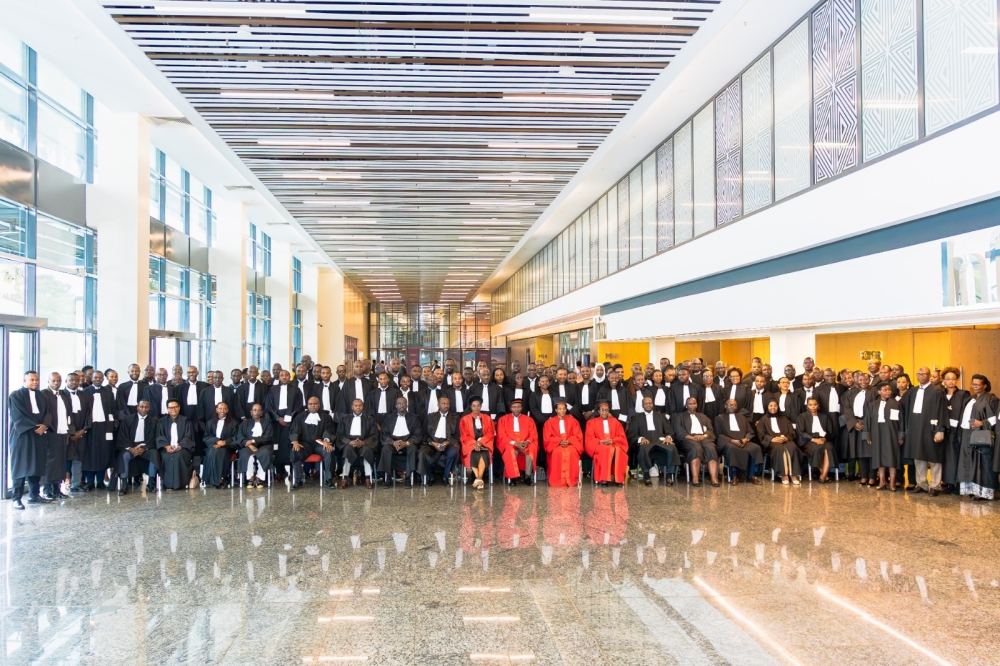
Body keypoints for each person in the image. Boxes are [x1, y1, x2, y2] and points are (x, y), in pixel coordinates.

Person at [900, 367, 947, 496]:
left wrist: (940, 430)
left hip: (931, 428)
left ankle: (935, 486)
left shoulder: (937, 391)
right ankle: (921, 484)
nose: (921, 376)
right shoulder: (912, 392)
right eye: (919, 374)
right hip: (915, 428)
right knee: (918, 456)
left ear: (929, 375)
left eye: (924, 374)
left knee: (934, 457)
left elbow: (942, 411)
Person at [8, 371, 51, 509]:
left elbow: (48, 413)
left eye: (37, 380)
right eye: (31, 380)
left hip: (39, 435)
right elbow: (18, 416)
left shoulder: (41, 396)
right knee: (20, 466)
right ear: (24, 380)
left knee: (37, 465)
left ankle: (34, 495)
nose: (35, 382)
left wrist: (44, 425)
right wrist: (35, 427)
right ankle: (16, 498)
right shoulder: (15, 395)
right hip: (22, 436)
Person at [957, 374, 999, 500]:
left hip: (982, 436)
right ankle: (971, 490)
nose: (974, 386)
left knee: (983, 463)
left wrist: (982, 423)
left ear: (984, 385)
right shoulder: (970, 399)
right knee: (968, 461)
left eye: (977, 384)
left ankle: (984, 492)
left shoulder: (991, 398)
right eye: (972, 384)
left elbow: (996, 418)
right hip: (967, 434)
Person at [713, 399, 764, 485]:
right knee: (732, 449)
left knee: (756, 448)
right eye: (730, 405)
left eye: (734, 405)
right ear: (725, 406)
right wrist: (732, 440)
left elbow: (750, 432)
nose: (732, 407)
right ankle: (734, 476)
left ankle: (752, 476)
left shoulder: (742, 417)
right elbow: (719, 434)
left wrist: (746, 439)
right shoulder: (719, 418)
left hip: (743, 441)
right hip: (728, 442)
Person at [288, 396, 336, 488]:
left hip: (320, 444)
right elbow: (295, 431)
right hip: (305, 444)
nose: (313, 406)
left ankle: (328, 480)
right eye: (310, 404)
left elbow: (329, 430)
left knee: (329, 451)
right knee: (295, 451)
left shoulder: (326, 417)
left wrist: (326, 440)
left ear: (319, 405)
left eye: (315, 404)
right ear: (307, 405)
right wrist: (295, 441)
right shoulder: (300, 417)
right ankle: (298, 480)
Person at [630, 395, 677, 487]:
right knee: (643, 448)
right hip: (646, 442)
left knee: (672, 447)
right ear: (642, 405)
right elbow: (632, 434)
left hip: (660, 441)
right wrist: (641, 439)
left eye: (650, 403)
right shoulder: (636, 417)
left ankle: (668, 476)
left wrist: (668, 437)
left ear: (653, 404)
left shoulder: (661, 416)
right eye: (646, 403)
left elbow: (669, 430)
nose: (648, 405)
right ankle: (647, 476)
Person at [115, 399, 159, 495]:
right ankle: (124, 485)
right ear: (137, 408)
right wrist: (131, 448)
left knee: (154, 453)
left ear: (149, 408)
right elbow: (122, 437)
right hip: (131, 449)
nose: (144, 409)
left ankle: (151, 484)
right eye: (141, 407)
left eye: (146, 407)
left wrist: (144, 448)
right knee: (124, 455)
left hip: (146, 449)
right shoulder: (127, 420)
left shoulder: (154, 422)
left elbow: (155, 438)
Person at [864, 383, 902, 491]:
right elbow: (868, 421)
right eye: (885, 390)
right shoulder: (873, 404)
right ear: (879, 392)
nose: (888, 392)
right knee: (879, 457)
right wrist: (868, 435)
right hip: (877, 433)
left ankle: (892, 483)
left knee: (892, 457)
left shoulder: (896, 404)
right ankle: (882, 481)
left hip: (891, 433)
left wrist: (901, 435)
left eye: (889, 390)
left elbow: (901, 421)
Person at [266, 370, 303, 480]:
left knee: (290, 445)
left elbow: (299, 406)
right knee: (277, 446)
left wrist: (290, 417)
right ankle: (279, 471)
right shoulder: (273, 389)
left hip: (291, 422)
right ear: (279, 377)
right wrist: (277, 418)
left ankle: (292, 470)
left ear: (290, 377)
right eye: (282, 375)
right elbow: (269, 406)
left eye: (287, 375)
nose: (285, 377)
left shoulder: (296, 390)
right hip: (276, 423)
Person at [378, 396, 422, 488]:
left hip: (408, 443)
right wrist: (392, 442)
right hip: (393, 443)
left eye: (404, 403)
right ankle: (388, 478)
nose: (401, 406)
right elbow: (384, 434)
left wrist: (406, 443)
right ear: (396, 406)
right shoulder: (389, 418)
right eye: (399, 404)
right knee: (386, 449)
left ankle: (408, 478)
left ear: (407, 405)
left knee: (412, 449)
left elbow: (417, 435)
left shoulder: (414, 419)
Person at [674, 396, 719, 487]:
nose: (692, 405)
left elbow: (710, 429)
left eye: (694, 403)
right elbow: (678, 431)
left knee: (711, 448)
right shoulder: (679, 416)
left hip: (704, 438)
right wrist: (691, 437)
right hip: (688, 439)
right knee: (696, 449)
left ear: (697, 405)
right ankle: (695, 478)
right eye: (690, 404)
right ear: (686, 405)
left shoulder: (703, 416)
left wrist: (704, 436)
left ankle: (714, 478)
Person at [41, 372, 73, 499]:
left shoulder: (64, 394)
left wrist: (69, 432)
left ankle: (57, 489)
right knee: (50, 461)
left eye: (58, 381)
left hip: (62, 432)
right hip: (50, 433)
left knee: (61, 461)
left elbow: (69, 413)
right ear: (48, 381)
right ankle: (47, 489)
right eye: (53, 381)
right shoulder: (43, 394)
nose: (56, 383)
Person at [83, 370, 116, 490]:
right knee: (90, 455)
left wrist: (110, 428)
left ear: (103, 379)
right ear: (91, 378)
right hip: (90, 427)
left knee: (103, 454)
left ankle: (101, 481)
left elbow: (112, 410)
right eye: (95, 377)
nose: (98, 379)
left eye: (100, 377)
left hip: (104, 427)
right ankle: (90, 481)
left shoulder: (108, 392)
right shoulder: (85, 392)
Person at [940, 367, 970, 493]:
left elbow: (965, 412)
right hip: (942, 430)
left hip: (956, 431)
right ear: (943, 381)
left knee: (954, 457)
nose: (951, 381)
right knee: (943, 457)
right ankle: (946, 482)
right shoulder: (939, 393)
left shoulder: (963, 394)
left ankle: (956, 484)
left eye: (953, 379)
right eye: (948, 379)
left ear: (957, 380)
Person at [757, 399, 801, 485]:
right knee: (779, 449)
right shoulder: (763, 419)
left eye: (775, 406)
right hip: (772, 442)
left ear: (778, 407)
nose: (773, 407)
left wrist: (786, 438)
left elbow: (791, 431)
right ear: (767, 407)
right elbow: (761, 433)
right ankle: (783, 474)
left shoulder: (784, 418)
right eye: (771, 406)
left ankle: (794, 474)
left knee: (793, 447)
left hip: (785, 439)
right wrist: (771, 439)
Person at [584, 400, 628, 487]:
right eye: (602, 410)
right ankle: (604, 478)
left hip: (614, 443)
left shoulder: (615, 421)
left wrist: (613, 440)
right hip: (600, 445)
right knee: (605, 449)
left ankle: (618, 478)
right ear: (598, 411)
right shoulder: (591, 422)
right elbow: (589, 439)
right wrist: (600, 441)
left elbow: (622, 437)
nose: (604, 412)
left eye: (606, 410)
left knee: (619, 450)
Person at [843, 373, 876, 486]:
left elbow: (875, 409)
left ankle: (872, 476)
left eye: (866, 379)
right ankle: (864, 476)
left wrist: (865, 423)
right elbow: (846, 408)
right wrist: (854, 422)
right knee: (860, 452)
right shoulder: (851, 393)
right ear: (857, 380)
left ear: (869, 380)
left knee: (870, 451)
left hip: (869, 425)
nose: (863, 382)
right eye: (860, 379)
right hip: (855, 425)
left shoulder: (875, 392)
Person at [155, 400, 196, 490]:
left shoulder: (186, 421)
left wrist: (180, 446)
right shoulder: (162, 421)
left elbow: (188, 436)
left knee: (178, 456)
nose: (173, 409)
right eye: (170, 408)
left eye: (175, 407)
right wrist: (166, 446)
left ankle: (181, 483)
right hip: (166, 448)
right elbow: (160, 436)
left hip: (183, 448)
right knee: (166, 457)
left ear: (179, 408)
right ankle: (167, 484)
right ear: (167, 409)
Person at [337, 398, 377, 489]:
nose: (358, 407)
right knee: (347, 450)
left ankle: (367, 479)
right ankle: (345, 478)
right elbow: (340, 434)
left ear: (363, 407)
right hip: (349, 442)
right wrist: (349, 442)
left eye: (360, 405)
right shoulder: (345, 419)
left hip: (365, 442)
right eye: (356, 405)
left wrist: (364, 442)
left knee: (367, 450)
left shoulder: (370, 419)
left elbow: (374, 435)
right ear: (352, 407)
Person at [496, 398, 538, 486]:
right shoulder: (503, 420)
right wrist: (515, 443)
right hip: (510, 443)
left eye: (518, 407)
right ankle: (513, 477)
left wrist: (526, 442)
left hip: (525, 442)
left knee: (532, 449)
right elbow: (502, 435)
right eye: (514, 407)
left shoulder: (528, 419)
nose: (516, 409)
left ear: (521, 408)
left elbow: (533, 434)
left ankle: (527, 476)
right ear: (510, 408)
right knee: (510, 451)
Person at [419, 396, 459, 486]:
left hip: (448, 444)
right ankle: (430, 477)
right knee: (422, 453)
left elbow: (457, 436)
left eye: (448, 404)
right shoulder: (430, 417)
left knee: (453, 452)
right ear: (438, 404)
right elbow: (424, 435)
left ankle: (445, 476)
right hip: (432, 443)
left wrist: (447, 442)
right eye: (443, 403)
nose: (446, 406)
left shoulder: (455, 418)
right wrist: (432, 443)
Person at [796, 397, 837, 483]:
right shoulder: (802, 416)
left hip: (823, 439)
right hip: (809, 440)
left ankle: (823, 476)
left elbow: (830, 431)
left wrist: (825, 438)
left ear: (818, 405)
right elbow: (801, 432)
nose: (813, 407)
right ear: (807, 406)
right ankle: (824, 476)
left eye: (815, 404)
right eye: (810, 405)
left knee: (829, 447)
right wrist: (813, 439)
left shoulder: (824, 416)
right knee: (818, 449)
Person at [543, 400, 583, 487]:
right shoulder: (549, 423)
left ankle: (571, 479)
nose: (562, 411)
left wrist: (569, 441)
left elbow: (577, 435)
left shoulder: (573, 421)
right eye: (560, 409)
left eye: (564, 409)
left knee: (572, 452)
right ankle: (558, 480)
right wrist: (559, 441)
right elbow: (547, 438)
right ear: (556, 410)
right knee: (557, 452)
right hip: (556, 445)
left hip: (570, 444)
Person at [234, 403, 274, 488]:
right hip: (248, 446)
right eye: (254, 410)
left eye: (259, 410)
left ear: (262, 413)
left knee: (265, 453)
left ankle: (259, 478)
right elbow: (240, 437)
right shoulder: (244, 424)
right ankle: (251, 479)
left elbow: (268, 437)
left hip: (264, 445)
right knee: (245, 455)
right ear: (251, 412)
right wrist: (249, 445)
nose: (256, 412)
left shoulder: (267, 423)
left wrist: (253, 440)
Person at [459, 395, 494, 490]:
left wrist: (481, 442)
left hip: (485, 443)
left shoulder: (487, 418)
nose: (476, 408)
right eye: (474, 406)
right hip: (470, 444)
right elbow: (464, 435)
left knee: (483, 453)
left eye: (478, 405)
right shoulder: (464, 419)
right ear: (470, 407)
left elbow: (490, 433)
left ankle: (478, 478)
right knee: (473, 452)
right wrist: (475, 443)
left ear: (481, 406)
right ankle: (479, 479)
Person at [202, 402, 239, 489]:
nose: (222, 410)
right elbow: (206, 437)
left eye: (225, 409)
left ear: (227, 410)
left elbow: (235, 437)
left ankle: (214, 479)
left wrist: (225, 442)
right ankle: (219, 479)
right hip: (213, 446)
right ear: (216, 410)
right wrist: (216, 441)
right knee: (213, 451)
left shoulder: (233, 422)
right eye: (220, 408)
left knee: (218, 451)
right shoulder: (210, 422)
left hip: (227, 448)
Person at [64, 372, 91, 493]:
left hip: (81, 433)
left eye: (76, 380)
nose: (74, 382)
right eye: (71, 380)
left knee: (79, 459)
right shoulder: (61, 395)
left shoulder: (83, 395)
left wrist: (83, 430)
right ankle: (63, 483)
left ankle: (77, 483)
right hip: (66, 434)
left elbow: (88, 414)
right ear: (66, 381)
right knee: (65, 459)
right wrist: (71, 433)